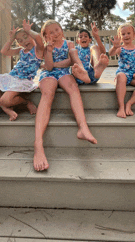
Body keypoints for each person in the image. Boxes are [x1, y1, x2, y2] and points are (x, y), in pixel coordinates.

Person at [34, 19, 97, 172]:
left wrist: (56, 64)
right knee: (47, 93)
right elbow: (48, 67)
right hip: (48, 74)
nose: (55, 34)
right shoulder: (46, 47)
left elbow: (69, 61)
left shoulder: (69, 44)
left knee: (73, 87)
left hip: (63, 73)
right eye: (51, 32)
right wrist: (48, 52)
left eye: (57, 30)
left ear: (61, 29)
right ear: (45, 36)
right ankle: (38, 145)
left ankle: (83, 127)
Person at [0, 19, 44, 121]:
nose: (24, 41)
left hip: (24, 80)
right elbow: (4, 51)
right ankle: (6, 109)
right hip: (12, 77)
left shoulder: (38, 50)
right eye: (20, 40)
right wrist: (12, 38)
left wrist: (28, 30)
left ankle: (26, 102)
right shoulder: (21, 51)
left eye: (26, 37)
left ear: (31, 35)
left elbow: (38, 38)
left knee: (5, 100)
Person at [109, 23, 135, 118]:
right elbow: (111, 54)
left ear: (133, 36)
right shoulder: (120, 49)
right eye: (123, 34)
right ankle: (121, 107)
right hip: (123, 74)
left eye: (128, 33)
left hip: (134, 76)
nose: (126, 35)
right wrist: (115, 47)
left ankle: (129, 103)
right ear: (120, 37)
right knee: (121, 76)